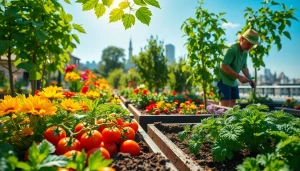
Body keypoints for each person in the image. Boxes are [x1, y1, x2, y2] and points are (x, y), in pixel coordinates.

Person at [218, 28, 260, 107]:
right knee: (225, 105)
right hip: (223, 79)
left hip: (233, 80)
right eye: (248, 43)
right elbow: (223, 65)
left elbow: (244, 67)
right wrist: (239, 77)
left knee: (233, 102)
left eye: (252, 45)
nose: (250, 47)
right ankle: (221, 118)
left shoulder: (244, 52)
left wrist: (250, 80)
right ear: (241, 39)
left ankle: (228, 119)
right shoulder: (231, 49)